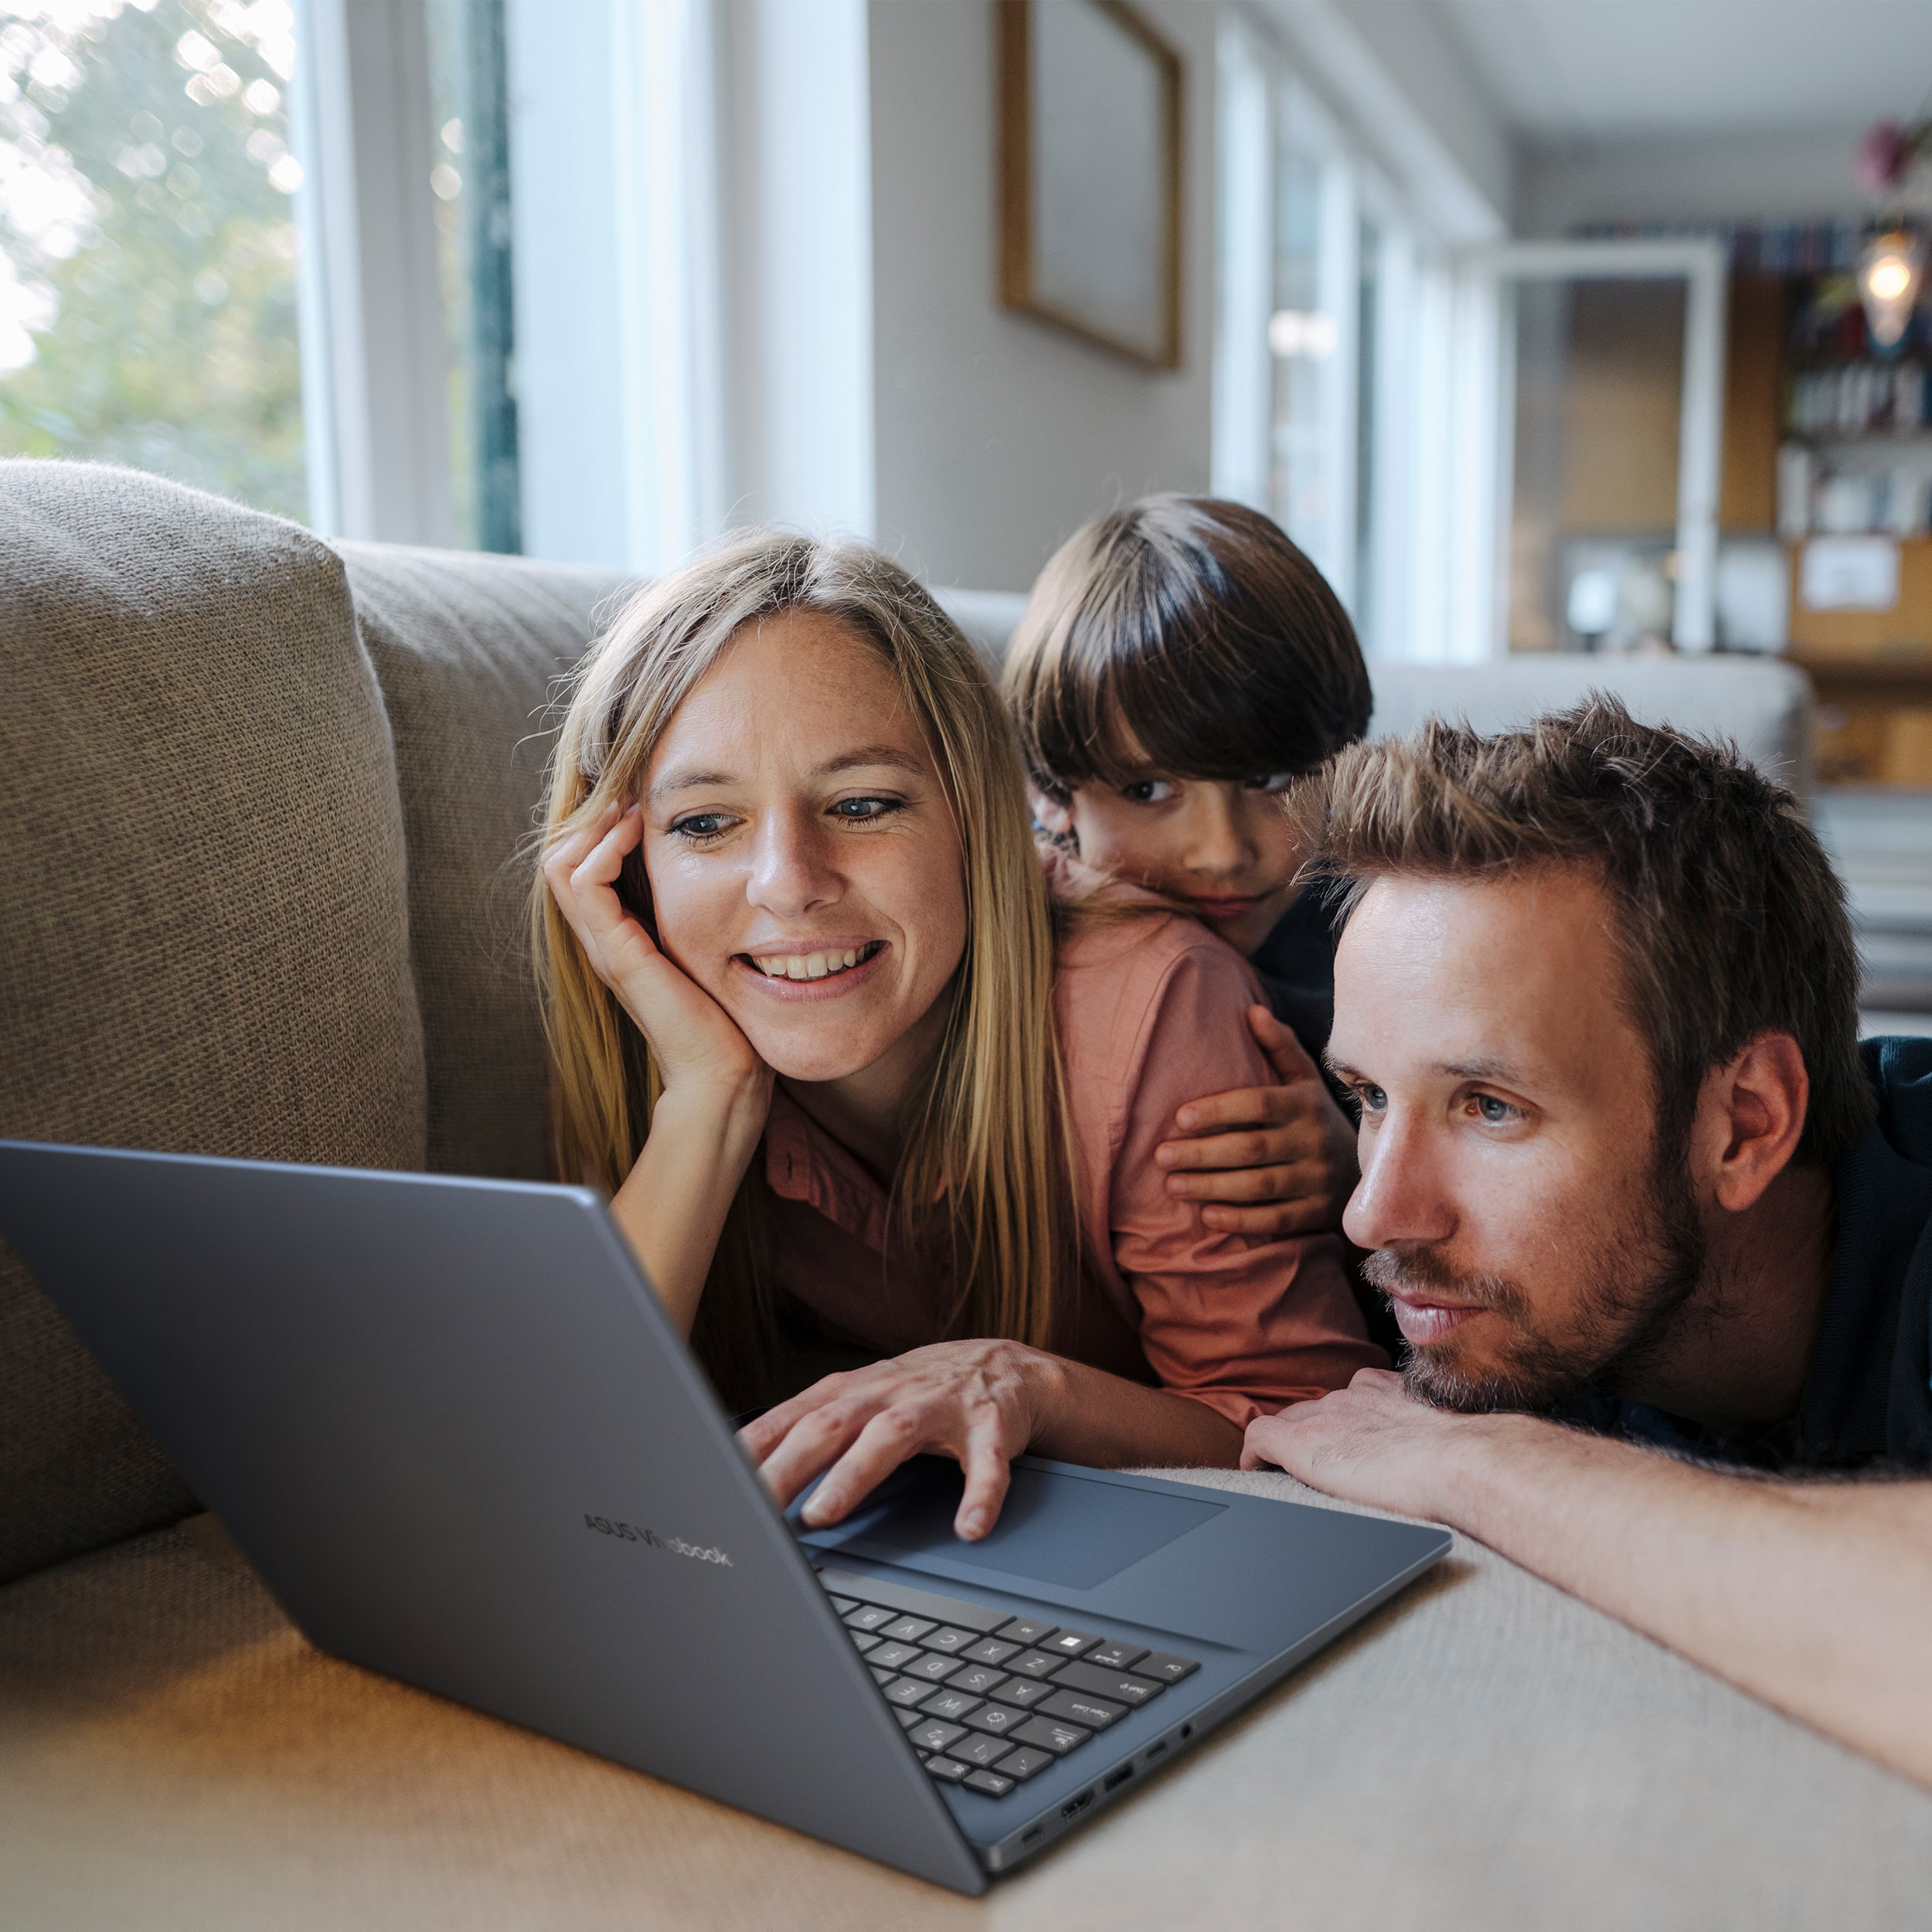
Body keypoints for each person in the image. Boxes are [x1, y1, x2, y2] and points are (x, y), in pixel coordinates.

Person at [536, 532, 1382, 1543]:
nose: (788, 884)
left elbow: (1313, 1435)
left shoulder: (1161, 996)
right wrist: (708, 1101)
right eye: (705, 824)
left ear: (979, 817)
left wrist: (1033, 1385)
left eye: (862, 804)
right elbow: (557, 1480)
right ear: (628, 866)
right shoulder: (657, 1013)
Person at [1242, 699, 1932, 1792]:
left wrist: (1476, 1463)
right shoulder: (1510, 1281)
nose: (1373, 1215)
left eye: (1489, 1107)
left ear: (1746, 1124)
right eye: (1369, 1095)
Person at [1001, 495, 1372, 1253]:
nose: (1220, 851)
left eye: (1270, 779)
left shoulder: (1389, 938)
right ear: (1050, 793)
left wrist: (1363, 1173)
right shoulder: (1002, 954)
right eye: (1148, 790)